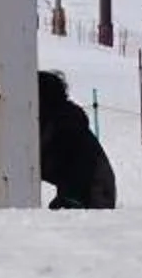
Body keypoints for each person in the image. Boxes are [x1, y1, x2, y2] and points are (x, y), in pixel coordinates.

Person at [37, 70, 118, 210]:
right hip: (90, 186)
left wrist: (69, 199)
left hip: (94, 189)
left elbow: (78, 164)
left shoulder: (65, 123)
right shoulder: (58, 119)